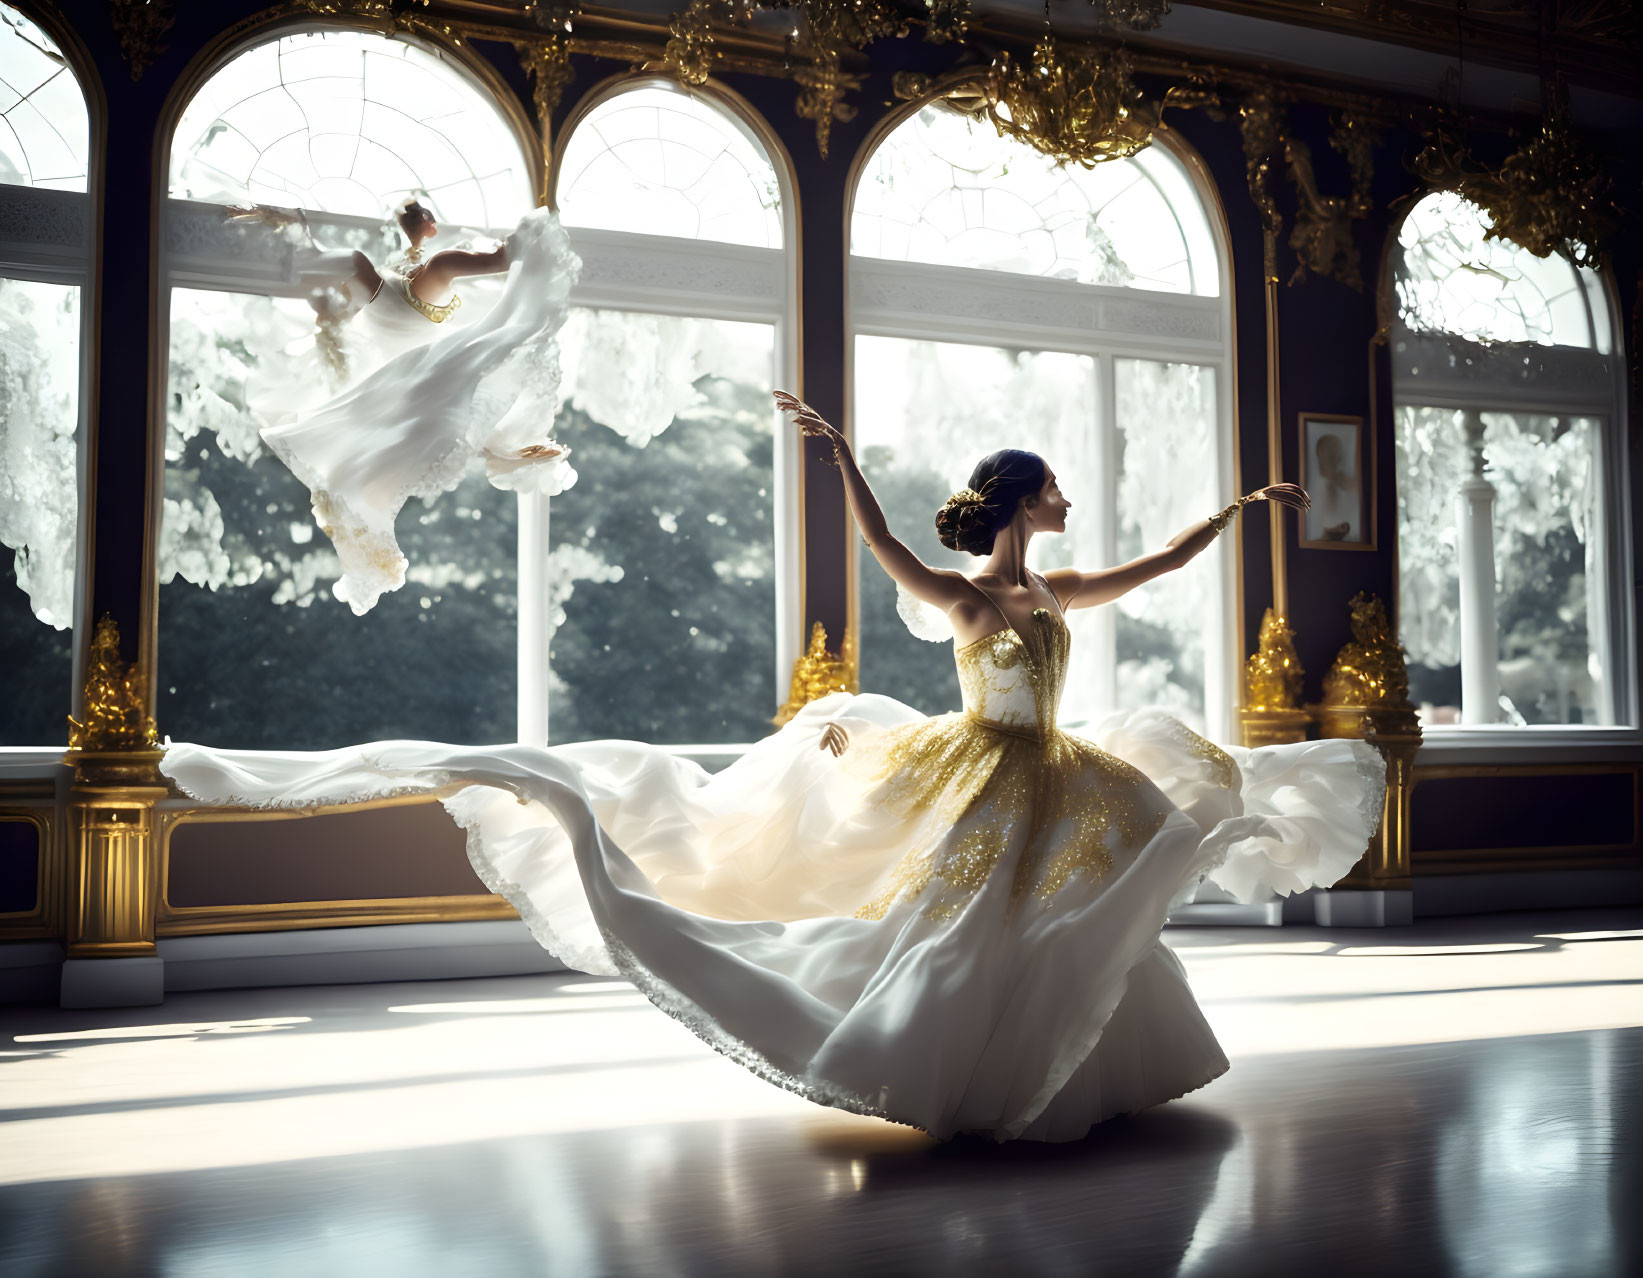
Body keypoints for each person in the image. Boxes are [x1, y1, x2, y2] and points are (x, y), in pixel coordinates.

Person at [161, 391, 1387, 1143]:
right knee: (959, 928)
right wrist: (840, 453)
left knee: (1072, 912)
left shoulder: (1053, 586)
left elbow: (1160, 569)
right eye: (1053, 490)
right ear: (1018, 501)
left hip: (1052, 768)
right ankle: (953, 1073)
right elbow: (881, 542)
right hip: (978, 770)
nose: (1065, 503)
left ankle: (1084, 1079)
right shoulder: (962, 599)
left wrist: (1242, 508)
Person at [241, 198, 582, 615]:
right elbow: (491, 259)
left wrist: (529, 240)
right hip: (411, 372)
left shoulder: (421, 270)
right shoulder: (409, 270)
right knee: (408, 440)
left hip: (417, 368)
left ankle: (506, 451)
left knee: (406, 441)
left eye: (417, 213)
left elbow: (498, 259)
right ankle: (506, 451)